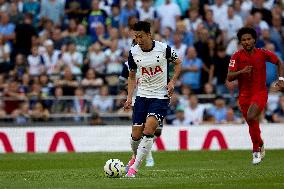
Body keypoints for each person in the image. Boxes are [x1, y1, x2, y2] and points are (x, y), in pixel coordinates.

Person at [124, 21, 181, 177]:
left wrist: (172, 81)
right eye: (135, 37)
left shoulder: (163, 49)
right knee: (136, 134)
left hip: (160, 96)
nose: (138, 40)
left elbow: (178, 62)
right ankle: (135, 157)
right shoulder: (133, 52)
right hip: (142, 96)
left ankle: (133, 169)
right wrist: (129, 97)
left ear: (149, 35)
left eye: (140, 36)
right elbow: (131, 75)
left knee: (149, 130)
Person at [227, 27, 284, 165]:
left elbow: (279, 62)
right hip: (244, 95)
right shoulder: (236, 56)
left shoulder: (263, 53)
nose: (246, 42)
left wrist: (281, 79)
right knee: (252, 124)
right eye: (243, 40)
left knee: (252, 116)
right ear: (241, 42)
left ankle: (255, 151)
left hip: (260, 92)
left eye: (249, 39)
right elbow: (229, 77)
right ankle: (260, 143)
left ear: (254, 40)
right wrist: (241, 71)